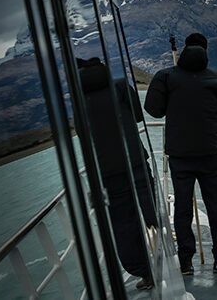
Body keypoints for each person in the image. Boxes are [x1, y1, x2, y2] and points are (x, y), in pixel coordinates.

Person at [143, 33, 217, 275]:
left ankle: (185, 262)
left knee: (182, 208)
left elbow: (154, 110)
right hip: (211, 153)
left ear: (183, 49)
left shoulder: (166, 76)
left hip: (180, 156)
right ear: (206, 50)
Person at [77, 57, 157, 291]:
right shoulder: (120, 85)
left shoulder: (80, 102)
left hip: (108, 173)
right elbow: (139, 116)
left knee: (123, 226)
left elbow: (84, 136)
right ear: (103, 68)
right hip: (135, 163)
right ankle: (171, 259)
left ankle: (145, 273)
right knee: (153, 213)